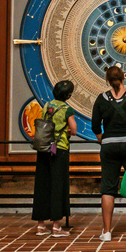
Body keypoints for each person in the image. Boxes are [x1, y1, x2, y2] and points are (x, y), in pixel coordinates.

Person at [91, 66, 126, 243]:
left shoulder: (101, 99)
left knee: (108, 188)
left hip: (108, 146)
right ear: (124, 78)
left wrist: (104, 139)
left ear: (107, 80)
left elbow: (95, 126)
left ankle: (107, 231)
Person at [32, 80, 76, 238]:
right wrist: (67, 130)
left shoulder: (46, 106)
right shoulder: (66, 109)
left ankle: (40, 226)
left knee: (42, 185)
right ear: (68, 95)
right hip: (59, 149)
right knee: (58, 186)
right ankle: (56, 227)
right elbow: (75, 130)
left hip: (43, 149)